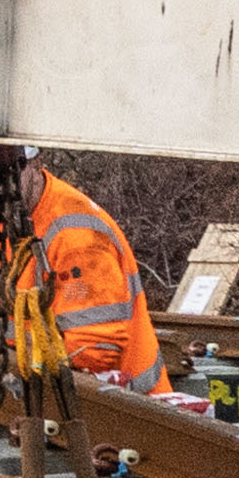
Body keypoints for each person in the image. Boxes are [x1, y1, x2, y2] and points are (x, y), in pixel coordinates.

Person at [15, 166, 158, 388]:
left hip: (123, 412)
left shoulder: (77, 238)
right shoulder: (6, 220)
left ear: (35, 163)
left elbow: (94, 352)